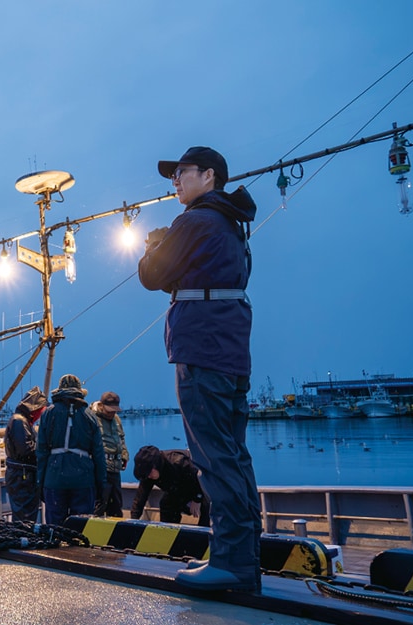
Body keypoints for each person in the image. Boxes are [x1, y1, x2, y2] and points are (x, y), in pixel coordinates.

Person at [138, 146, 262, 592]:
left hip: (202, 349)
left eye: (182, 172)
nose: (174, 180)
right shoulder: (231, 224)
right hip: (231, 349)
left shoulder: (193, 220)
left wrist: (154, 245)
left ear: (209, 175)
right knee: (234, 454)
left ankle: (231, 564)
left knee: (212, 457)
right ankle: (247, 554)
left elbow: (152, 276)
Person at [36, 374, 106, 527]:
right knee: (81, 526)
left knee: (55, 528)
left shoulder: (48, 413)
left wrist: (40, 482)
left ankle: (56, 550)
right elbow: (99, 454)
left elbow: (41, 452)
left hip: (54, 478)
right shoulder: (90, 416)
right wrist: (101, 485)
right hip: (83, 479)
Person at [130, 445, 210, 526]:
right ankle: (168, 533)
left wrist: (197, 499)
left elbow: (199, 477)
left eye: (149, 473)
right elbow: (140, 498)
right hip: (177, 490)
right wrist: (133, 521)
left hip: (199, 488)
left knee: (208, 506)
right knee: (166, 504)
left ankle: (207, 535)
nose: (149, 477)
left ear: (156, 466)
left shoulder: (179, 462)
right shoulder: (148, 475)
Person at [3, 386, 47, 523]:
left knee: (26, 512)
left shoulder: (22, 421)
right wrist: (44, 451)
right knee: (25, 513)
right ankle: (23, 538)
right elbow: (26, 450)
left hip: (22, 474)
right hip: (21, 476)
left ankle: (24, 537)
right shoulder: (19, 421)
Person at [88, 391, 128, 517]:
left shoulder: (116, 419)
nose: (112, 413)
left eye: (115, 410)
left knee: (116, 507)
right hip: (101, 470)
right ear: (102, 406)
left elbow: (121, 439)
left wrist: (124, 455)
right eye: (110, 410)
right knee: (99, 505)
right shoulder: (92, 418)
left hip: (115, 470)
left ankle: (117, 535)